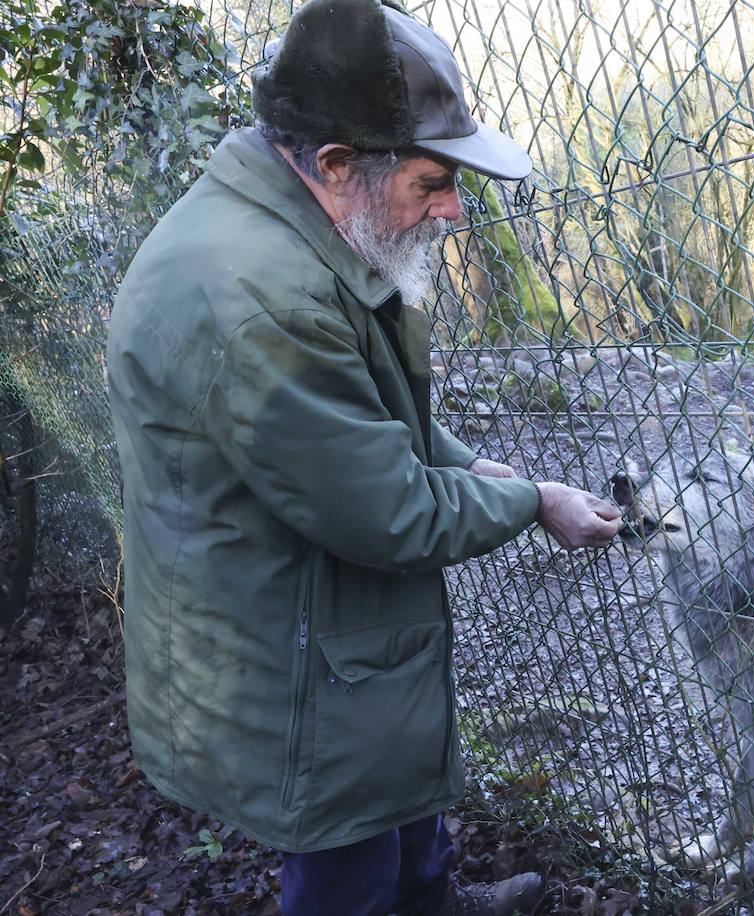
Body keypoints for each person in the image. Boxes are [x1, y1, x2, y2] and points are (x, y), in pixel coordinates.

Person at [104, 1, 623, 913]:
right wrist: (534, 499)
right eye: (433, 182)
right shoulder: (268, 301)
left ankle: (431, 899)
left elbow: (349, 414)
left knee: (389, 775)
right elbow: (392, 511)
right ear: (339, 165)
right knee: (345, 851)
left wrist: (464, 464)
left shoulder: (274, 221)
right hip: (291, 659)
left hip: (306, 617)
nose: (453, 209)